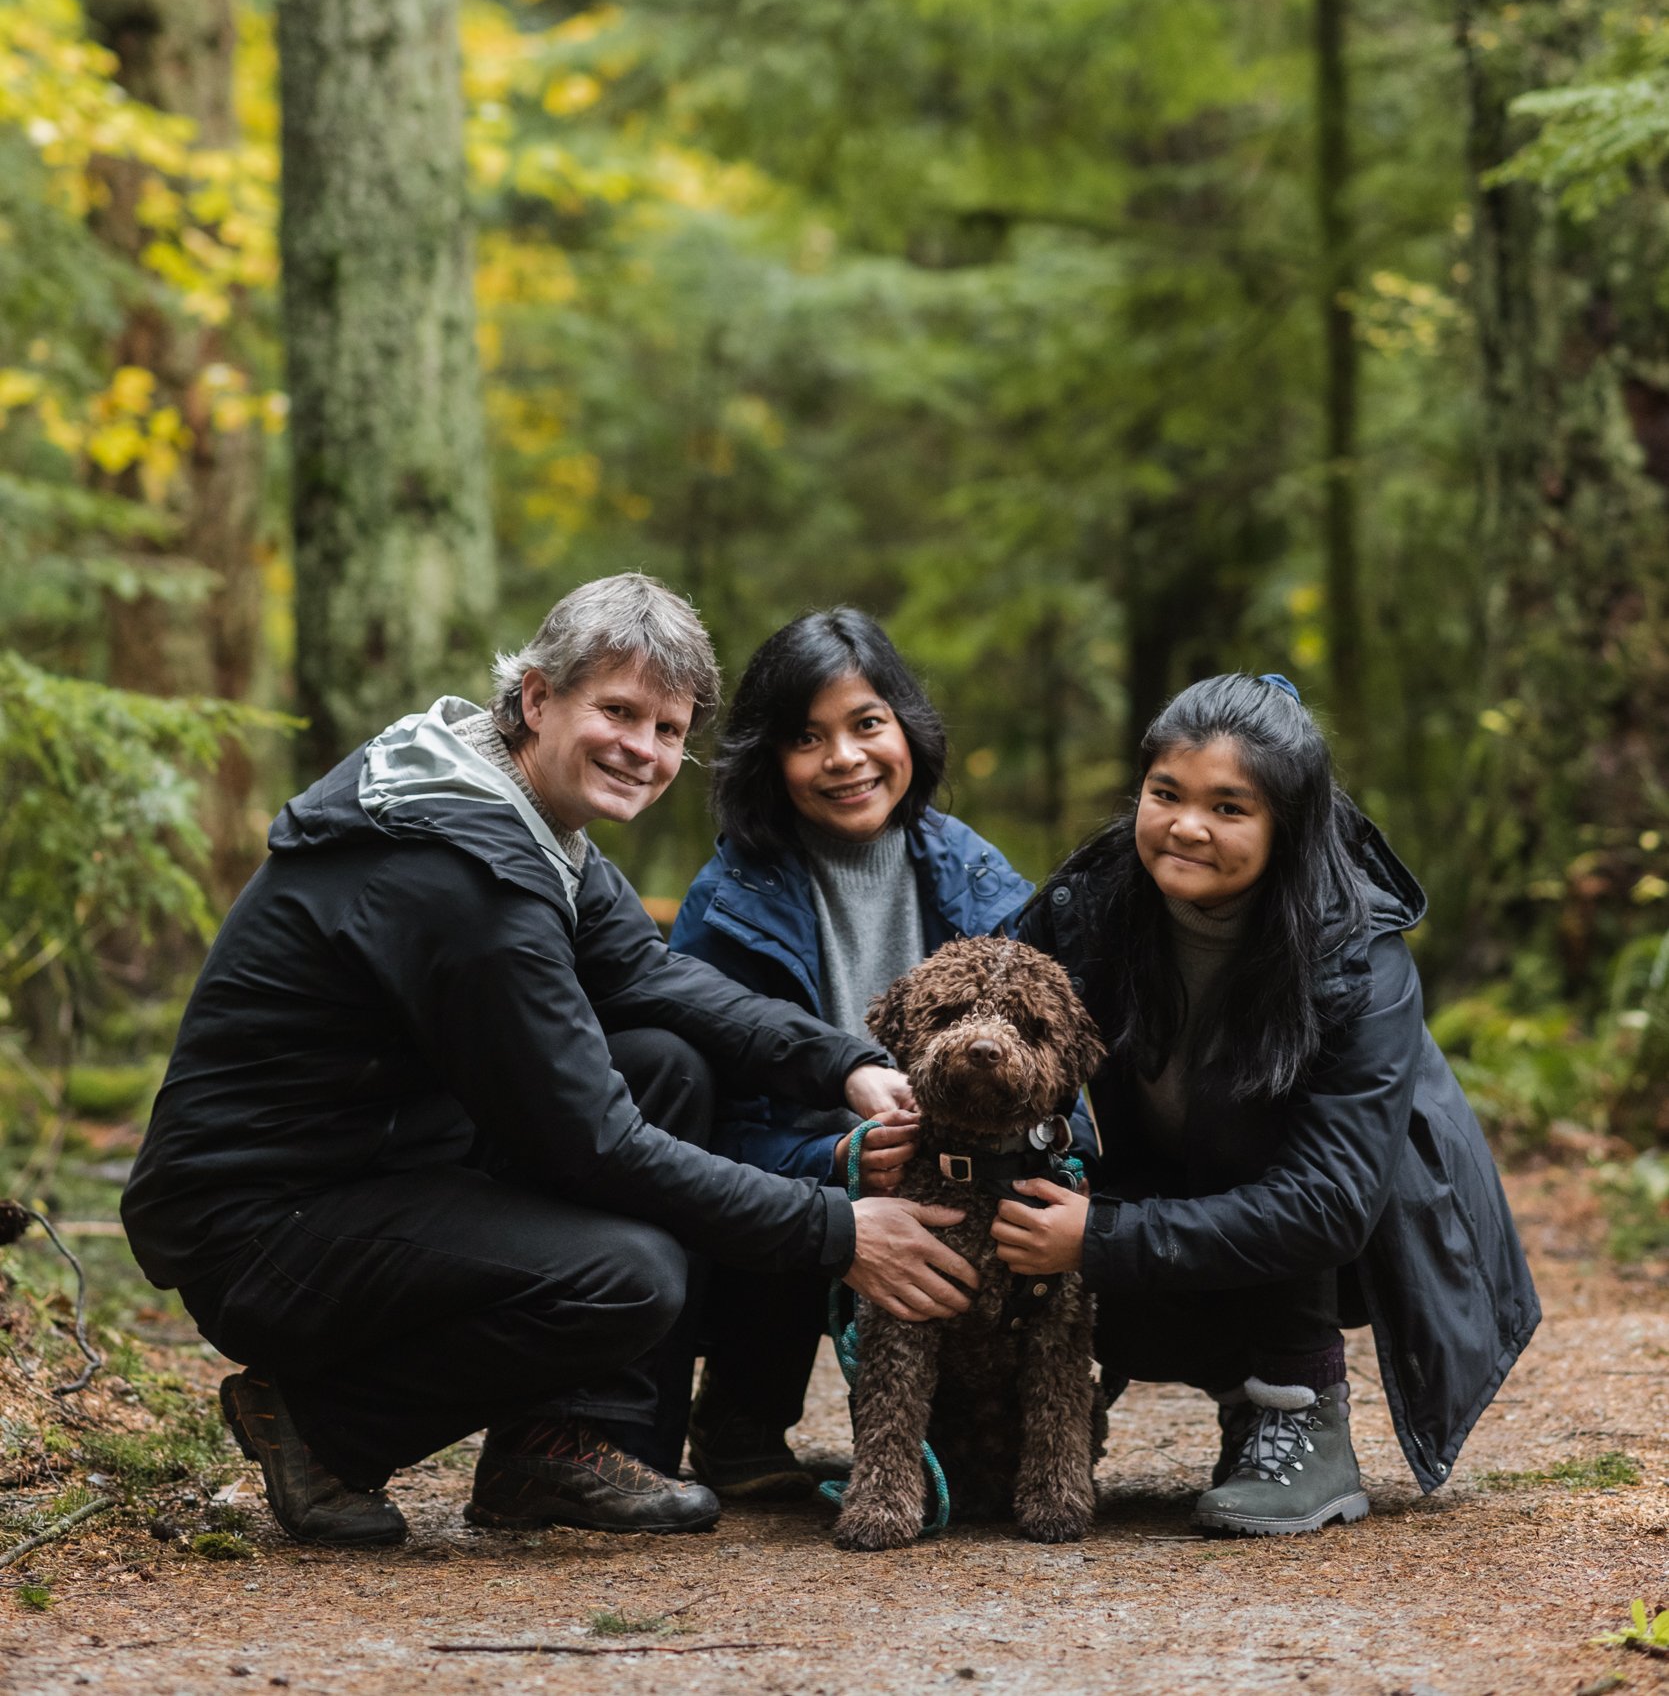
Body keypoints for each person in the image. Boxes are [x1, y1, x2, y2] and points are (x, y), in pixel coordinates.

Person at [122, 576, 978, 1549]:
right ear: (535, 698)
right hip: (258, 1226)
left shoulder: (517, 817)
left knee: (664, 1062)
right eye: (616, 711)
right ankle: (322, 1428)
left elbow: (652, 976)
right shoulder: (469, 883)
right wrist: (837, 1227)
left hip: (370, 1165)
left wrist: (844, 1063)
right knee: (628, 1276)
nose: (641, 748)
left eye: (666, 727)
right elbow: (594, 1145)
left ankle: (551, 1445)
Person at [993, 670, 1539, 1537]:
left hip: (1351, 1239)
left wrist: (1096, 1239)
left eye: (1228, 808)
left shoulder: (1358, 956)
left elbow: (1328, 1205)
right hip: (1163, 1196)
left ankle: (1296, 1406)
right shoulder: (1086, 909)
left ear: (1287, 825)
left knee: (1268, 1116)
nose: (1185, 827)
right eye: (1164, 793)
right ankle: (1036, 1405)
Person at [670, 607, 1033, 1499]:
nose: (845, 758)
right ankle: (744, 1411)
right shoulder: (728, 905)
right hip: (811, 1182)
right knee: (785, 1191)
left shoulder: (981, 881)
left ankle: (979, 1413)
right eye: (807, 737)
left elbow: (1050, 1055)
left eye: (867, 723)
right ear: (768, 758)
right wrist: (838, 1161)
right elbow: (703, 1125)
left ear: (906, 726)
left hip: (964, 1173)